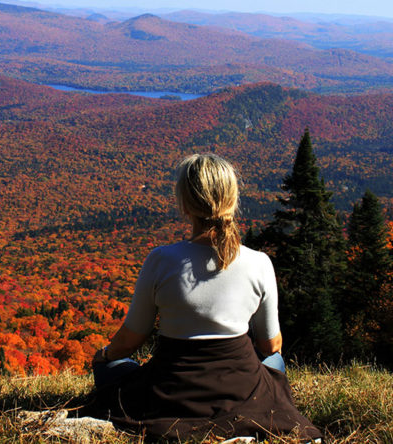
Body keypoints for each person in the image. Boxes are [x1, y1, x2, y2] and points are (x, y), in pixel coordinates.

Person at [79, 154, 322, 441]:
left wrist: (104, 356)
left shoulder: (160, 260)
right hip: (242, 389)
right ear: (232, 199)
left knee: (113, 368)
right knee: (276, 365)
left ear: (185, 203)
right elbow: (270, 346)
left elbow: (131, 338)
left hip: (169, 391)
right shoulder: (259, 263)